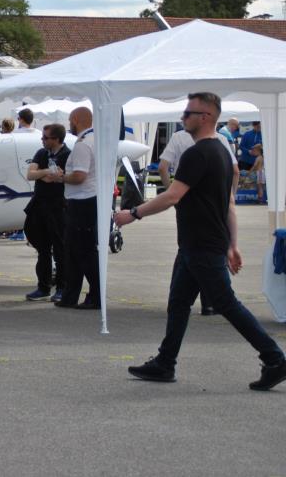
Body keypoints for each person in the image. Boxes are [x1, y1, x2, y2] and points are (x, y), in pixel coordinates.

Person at [115, 93, 286, 391]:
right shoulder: (221, 152)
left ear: (205, 116)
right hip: (199, 244)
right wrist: (233, 244)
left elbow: (172, 195)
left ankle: (275, 359)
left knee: (226, 303)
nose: (183, 118)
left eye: (187, 113)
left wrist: (134, 213)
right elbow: (229, 203)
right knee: (179, 302)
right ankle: (165, 363)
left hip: (202, 245)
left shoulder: (198, 154)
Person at [159, 127, 239, 315]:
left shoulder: (178, 137)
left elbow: (163, 166)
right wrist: (230, 196)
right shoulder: (220, 139)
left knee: (186, 249)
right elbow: (235, 171)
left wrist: (171, 190)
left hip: (187, 201)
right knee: (212, 249)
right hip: (215, 203)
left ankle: (177, 299)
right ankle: (210, 302)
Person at [55, 106, 100, 310]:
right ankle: (71, 295)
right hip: (89, 200)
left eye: (70, 121)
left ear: (76, 120)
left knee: (81, 251)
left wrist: (61, 177)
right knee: (76, 251)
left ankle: (94, 295)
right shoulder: (95, 140)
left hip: (82, 201)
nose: (69, 125)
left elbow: (80, 176)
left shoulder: (83, 144)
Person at [24, 123, 71, 302]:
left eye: (46, 138)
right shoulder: (41, 153)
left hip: (58, 207)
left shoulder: (68, 155)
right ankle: (43, 287)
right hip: (39, 206)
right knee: (42, 248)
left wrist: (46, 175)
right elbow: (30, 174)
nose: (42, 140)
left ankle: (62, 288)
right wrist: (45, 172)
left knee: (60, 249)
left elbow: (59, 177)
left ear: (56, 139)